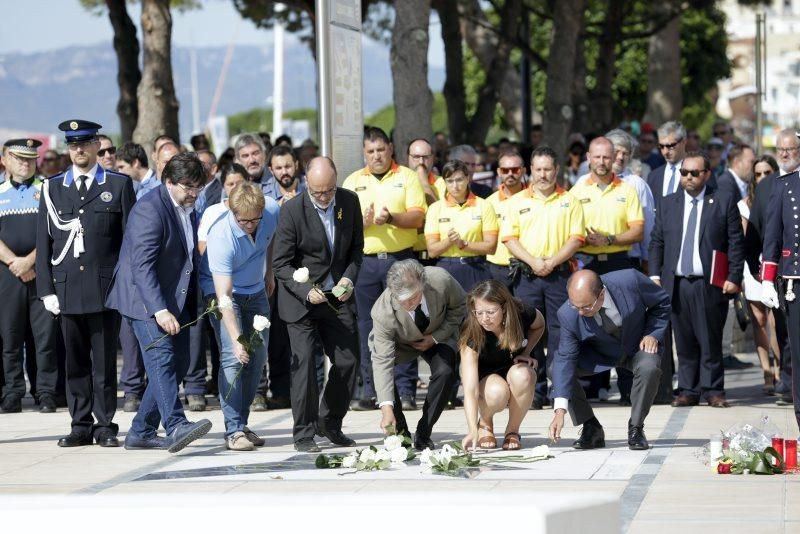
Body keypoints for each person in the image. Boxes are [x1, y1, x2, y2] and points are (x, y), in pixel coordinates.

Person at [36, 119, 135, 447]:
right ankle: (80, 423)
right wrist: (46, 290)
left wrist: (125, 286)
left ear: (96, 146)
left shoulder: (118, 185)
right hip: (66, 289)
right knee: (74, 361)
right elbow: (44, 242)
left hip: (104, 288)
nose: (79, 149)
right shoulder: (52, 188)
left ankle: (105, 424)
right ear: (68, 148)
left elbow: (129, 243)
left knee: (104, 363)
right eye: (73, 144)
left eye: (85, 143)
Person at [105, 152, 211, 452]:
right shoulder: (150, 209)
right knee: (162, 358)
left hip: (168, 295)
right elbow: (142, 266)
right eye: (188, 187)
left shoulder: (188, 206)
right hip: (142, 299)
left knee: (175, 363)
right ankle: (176, 425)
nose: (193, 193)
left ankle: (141, 431)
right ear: (169, 181)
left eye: (198, 187)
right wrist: (160, 310)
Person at [272, 157, 363, 452]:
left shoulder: (349, 202)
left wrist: (349, 280)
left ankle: (330, 420)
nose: (323, 198)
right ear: (306, 184)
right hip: (302, 302)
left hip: (337, 296)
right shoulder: (292, 210)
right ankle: (303, 433)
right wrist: (304, 290)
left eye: (328, 191)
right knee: (305, 367)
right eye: (317, 192)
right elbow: (281, 263)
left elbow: (356, 251)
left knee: (349, 360)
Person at [649, 151, 744, 408]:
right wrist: (655, 275)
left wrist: (734, 277)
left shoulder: (723, 201)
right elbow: (657, 241)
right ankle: (689, 390)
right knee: (684, 340)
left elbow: (735, 242)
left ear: (707, 174)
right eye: (683, 173)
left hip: (709, 283)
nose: (688, 177)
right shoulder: (669, 203)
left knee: (710, 338)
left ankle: (713, 390)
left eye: (693, 173)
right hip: (676, 283)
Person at [343, 127, 426, 411]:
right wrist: (362, 224)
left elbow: (417, 217)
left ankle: (405, 390)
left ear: (390, 149)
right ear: (364, 153)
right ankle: (372, 390)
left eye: (381, 149)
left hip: (400, 259)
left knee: (404, 323)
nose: (376, 155)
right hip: (365, 262)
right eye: (370, 151)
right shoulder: (353, 181)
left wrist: (391, 218)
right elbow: (343, 227)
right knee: (367, 327)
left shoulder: (407, 177)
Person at [548, 270, 669, 450]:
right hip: (601, 354)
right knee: (555, 370)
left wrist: (652, 333)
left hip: (639, 346)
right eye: (576, 306)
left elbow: (662, 303)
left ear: (602, 294)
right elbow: (565, 358)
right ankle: (591, 427)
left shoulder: (630, 281)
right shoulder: (568, 313)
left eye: (586, 306)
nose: (580, 312)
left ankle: (636, 427)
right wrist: (560, 410)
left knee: (649, 367)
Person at [503, 145, 585, 409]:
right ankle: (534, 391)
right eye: (537, 169)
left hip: (560, 276)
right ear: (530, 170)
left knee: (562, 334)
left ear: (556, 170)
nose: (542, 175)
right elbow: (509, 239)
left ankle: (559, 389)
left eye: (547, 169)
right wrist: (534, 261)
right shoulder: (517, 202)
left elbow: (576, 239)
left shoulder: (570, 200)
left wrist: (551, 262)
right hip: (527, 276)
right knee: (527, 332)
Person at [205, 182, 280, 450]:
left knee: (257, 358)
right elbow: (223, 296)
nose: (250, 225)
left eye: (254, 220)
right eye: (243, 221)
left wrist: (268, 271)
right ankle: (233, 430)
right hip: (229, 295)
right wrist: (236, 339)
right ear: (233, 212)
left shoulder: (270, 211)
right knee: (233, 358)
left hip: (257, 291)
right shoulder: (221, 237)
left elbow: (269, 240)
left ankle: (242, 423)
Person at [570, 136, 644, 403]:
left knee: (625, 324)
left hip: (618, 261)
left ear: (614, 158)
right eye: (597, 157)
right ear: (588, 158)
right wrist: (584, 239)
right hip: (588, 263)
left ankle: (627, 388)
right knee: (590, 323)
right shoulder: (577, 191)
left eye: (607, 157)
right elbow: (569, 229)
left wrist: (609, 239)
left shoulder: (627, 189)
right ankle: (594, 384)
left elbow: (637, 230)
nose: (602, 162)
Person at [369, 259, 464, 449]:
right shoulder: (382, 311)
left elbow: (460, 307)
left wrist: (436, 337)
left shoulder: (441, 279)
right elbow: (383, 362)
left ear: (423, 284)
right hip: (400, 342)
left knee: (446, 371)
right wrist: (386, 408)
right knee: (379, 374)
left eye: (412, 298)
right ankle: (401, 432)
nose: (408, 305)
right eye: (401, 300)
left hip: (438, 333)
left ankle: (424, 431)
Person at [0, 139, 58, 414]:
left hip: (41, 272)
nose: (25, 163)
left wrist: (31, 261)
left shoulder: (48, 189)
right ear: (6, 160)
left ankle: (45, 391)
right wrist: (15, 262)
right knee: (9, 337)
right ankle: (12, 391)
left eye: (30, 159)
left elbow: (54, 232)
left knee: (44, 338)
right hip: (7, 273)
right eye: (19, 158)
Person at [747, 130, 800, 407]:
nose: (785, 153)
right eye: (781, 149)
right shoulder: (774, 186)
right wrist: (765, 278)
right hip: (789, 277)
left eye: (790, 148)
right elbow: (767, 236)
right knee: (790, 340)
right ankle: (790, 388)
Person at [460, 280, 545, 450]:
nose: (484, 319)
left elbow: (540, 324)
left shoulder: (522, 311)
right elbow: (470, 389)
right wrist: (471, 430)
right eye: (479, 312)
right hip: (485, 377)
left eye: (491, 312)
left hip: (514, 367)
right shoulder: (471, 328)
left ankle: (512, 431)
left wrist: (526, 352)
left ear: (505, 308)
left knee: (525, 376)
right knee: (498, 393)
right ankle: (484, 424)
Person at [761, 155, 800, 435]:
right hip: (795, 281)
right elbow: (772, 235)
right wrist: (767, 278)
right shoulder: (787, 185)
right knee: (798, 354)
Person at [424, 160, 498, 292]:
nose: (455, 186)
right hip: (446, 268)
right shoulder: (435, 209)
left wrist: (463, 244)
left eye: (459, 180)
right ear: (444, 182)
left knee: (477, 311)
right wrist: (450, 241)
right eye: (450, 181)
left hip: (476, 267)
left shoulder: (484, 206)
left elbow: (491, 247)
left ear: (468, 178)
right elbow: (432, 251)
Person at [740, 155, 781, 394]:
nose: (763, 177)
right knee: (759, 321)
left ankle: (780, 369)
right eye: (758, 174)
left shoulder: (781, 194)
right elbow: (747, 240)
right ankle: (766, 371)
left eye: (767, 172)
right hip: (753, 265)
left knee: (776, 322)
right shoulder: (745, 203)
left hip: (775, 264)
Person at [486, 150, 527, 288]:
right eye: (505, 170)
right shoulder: (489, 203)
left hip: (527, 266)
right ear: (498, 172)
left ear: (523, 171)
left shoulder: (535, 198)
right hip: (497, 268)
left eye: (515, 170)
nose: (510, 174)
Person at [647, 121, 687, 213]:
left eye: (671, 146)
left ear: (684, 142)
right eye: (661, 146)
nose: (665, 152)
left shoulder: (697, 172)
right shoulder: (653, 176)